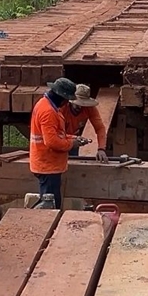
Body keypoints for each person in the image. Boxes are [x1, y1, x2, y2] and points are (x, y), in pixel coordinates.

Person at [29, 77, 86, 209]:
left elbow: (56, 134)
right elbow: (52, 142)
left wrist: (72, 138)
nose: (67, 104)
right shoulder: (48, 112)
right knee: (50, 207)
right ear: (62, 97)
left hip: (48, 164)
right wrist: (72, 144)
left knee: (52, 203)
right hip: (47, 165)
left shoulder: (46, 105)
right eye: (67, 100)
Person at [62, 84, 108, 163]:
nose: (80, 107)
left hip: (74, 140)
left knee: (74, 165)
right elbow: (55, 133)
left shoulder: (90, 109)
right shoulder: (62, 107)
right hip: (58, 140)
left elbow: (100, 128)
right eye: (78, 104)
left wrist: (101, 149)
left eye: (83, 104)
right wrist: (72, 138)